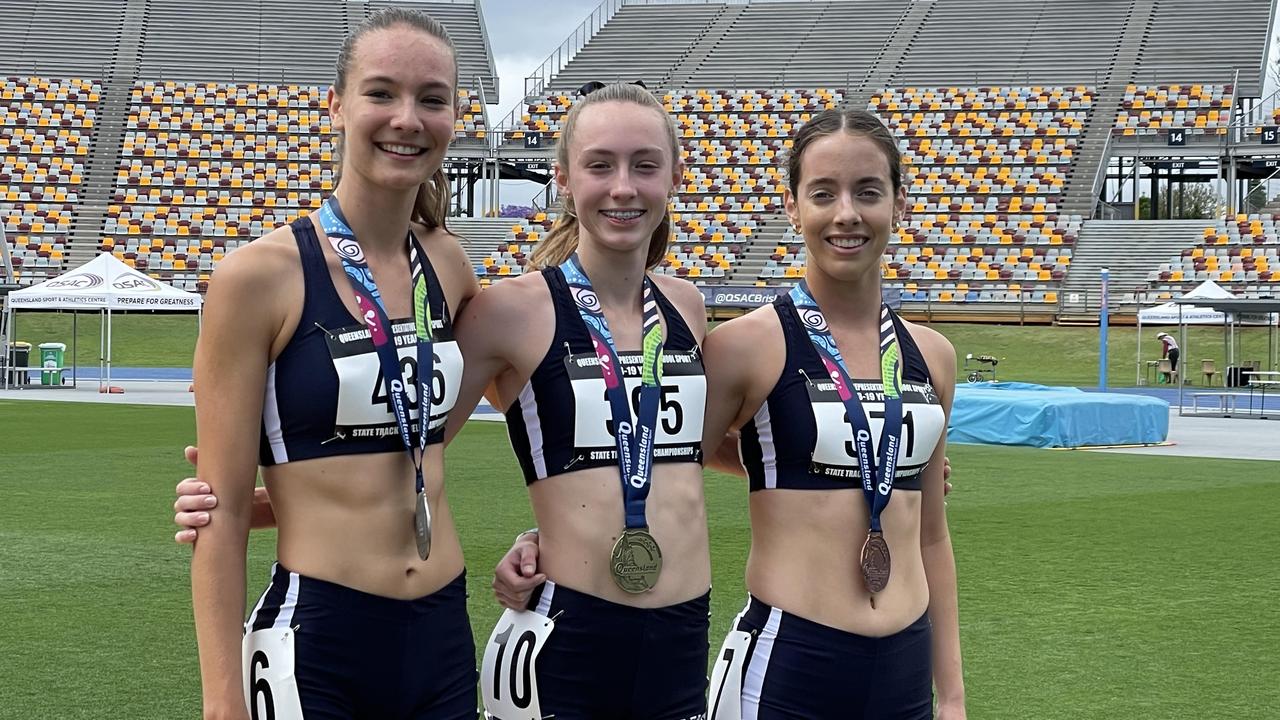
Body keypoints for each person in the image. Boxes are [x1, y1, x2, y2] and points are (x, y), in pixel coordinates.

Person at [187, 8, 479, 719]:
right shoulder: (256, 278)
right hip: (319, 639)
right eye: (381, 93)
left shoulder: (447, 262)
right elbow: (215, 516)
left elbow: (430, 423)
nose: (407, 118)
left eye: (431, 99)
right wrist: (223, 700)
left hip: (444, 631)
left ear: (453, 116)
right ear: (336, 105)